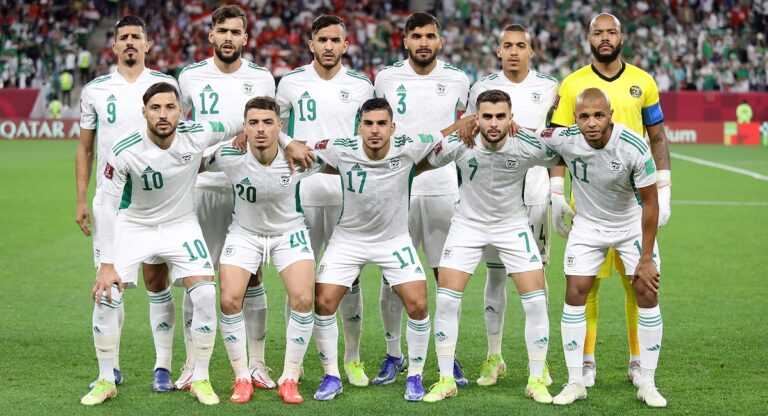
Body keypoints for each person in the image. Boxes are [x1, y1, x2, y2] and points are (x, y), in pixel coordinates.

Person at [81, 82, 238, 406]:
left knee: (205, 293)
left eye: (170, 107)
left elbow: (242, 120)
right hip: (134, 225)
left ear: (181, 111)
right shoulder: (125, 149)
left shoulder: (198, 133)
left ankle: (200, 378)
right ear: (144, 112)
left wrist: (276, 139)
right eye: (155, 108)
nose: (163, 114)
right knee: (107, 294)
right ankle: (106, 379)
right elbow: (105, 204)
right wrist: (107, 263)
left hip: (181, 225)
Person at [309, 98, 473, 402]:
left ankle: (414, 376)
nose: (375, 130)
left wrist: (466, 122)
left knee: (418, 304)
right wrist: (287, 143)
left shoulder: (409, 145)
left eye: (381, 124)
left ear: (392, 127)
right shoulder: (340, 148)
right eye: (368, 124)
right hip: (349, 240)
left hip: (394, 240)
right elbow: (302, 150)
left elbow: (442, 136)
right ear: (359, 127)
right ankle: (331, 375)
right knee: (323, 301)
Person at [549, 12, 672, 387]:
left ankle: (638, 360)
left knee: (639, 283)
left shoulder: (643, 81)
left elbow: (657, 136)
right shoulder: (572, 84)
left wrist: (664, 186)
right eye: (598, 33)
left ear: (621, 37)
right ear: (588, 38)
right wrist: (555, 192)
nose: (604, 38)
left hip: (635, 201)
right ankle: (585, 361)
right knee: (584, 286)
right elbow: (557, 142)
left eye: (611, 32)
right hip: (589, 203)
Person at [421, 90, 557, 404]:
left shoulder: (525, 143)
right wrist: (455, 129)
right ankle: (446, 380)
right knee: (446, 300)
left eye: (500, 117)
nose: (493, 123)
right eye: (487, 117)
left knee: (536, 303)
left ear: (510, 118)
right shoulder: (461, 142)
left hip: (512, 226)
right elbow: (423, 161)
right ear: (476, 118)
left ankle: (536, 379)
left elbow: (564, 154)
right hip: (467, 225)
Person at [75, 15, 181, 394]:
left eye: (137, 36)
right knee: (110, 286)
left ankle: (162, 367)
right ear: (115, 45)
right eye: (124, 37)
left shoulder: (165, 85)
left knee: (157, 282)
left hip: (157, 201)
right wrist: (81, 198)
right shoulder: (96, 90)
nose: (131, 42)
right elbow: (85, 148)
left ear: (148, 44)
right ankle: (110, 371)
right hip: (112, 203)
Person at [176, 4, 277, 392]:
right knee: (197, 274)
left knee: (252, 276)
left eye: (236, 32)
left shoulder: (262, 78)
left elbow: (267, 127)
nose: (229, 38)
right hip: (203, 186)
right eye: (223, 31)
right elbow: (180, 128)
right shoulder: (190, 77)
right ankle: (191, 362)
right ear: (211, 35)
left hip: (247, 187)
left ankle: (258, 363)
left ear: (245, 38)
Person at [201, 97, 322, 404]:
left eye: (268, 122)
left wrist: (290, 142)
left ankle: (289, 378)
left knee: (303, 299)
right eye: (253, 123)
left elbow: (342, 160)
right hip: (245, 233)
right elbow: (191, 161)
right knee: (229, 299)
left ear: (280, 126)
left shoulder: (299, 156)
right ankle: (242, 377)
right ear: (244, 127)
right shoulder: (229, 154)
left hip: (288, 232)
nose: (260, 129)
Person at [276, 14, 374, 387]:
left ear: (346, 45)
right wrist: (290, 143)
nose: (329, 46)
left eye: (336, 40)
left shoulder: (362, 86)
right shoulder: (290, 83)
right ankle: (295, 360)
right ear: (311, 44)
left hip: (348, 195)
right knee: (298, 280)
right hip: (300, 193)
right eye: (323, 40)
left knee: (350, 279)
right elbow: (274, 126)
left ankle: (352, 357)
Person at [373, 11, 470, 386]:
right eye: (416, 36)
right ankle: (393, 353)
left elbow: (467, 127)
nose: (424, 43)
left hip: (442, 187)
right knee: (391, 275)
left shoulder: (458, 79)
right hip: (395, 188)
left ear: (440, 41)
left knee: (445, 276)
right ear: (405, 41)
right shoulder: (386, 78)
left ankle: (448, 355)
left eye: (430, 36)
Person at [466, 23, 558, 386]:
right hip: (494, 195)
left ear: (531, 51)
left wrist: (555, 192)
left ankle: (541, 361)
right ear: (499, 51)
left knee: (537, 276)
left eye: (521, 45)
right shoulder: (481, 88)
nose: (514, 51)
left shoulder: (549, 87)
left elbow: (556, 141)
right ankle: (494, 356)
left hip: (535, 193)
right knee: (495, 274)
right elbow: (468, 133)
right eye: (508, 45)